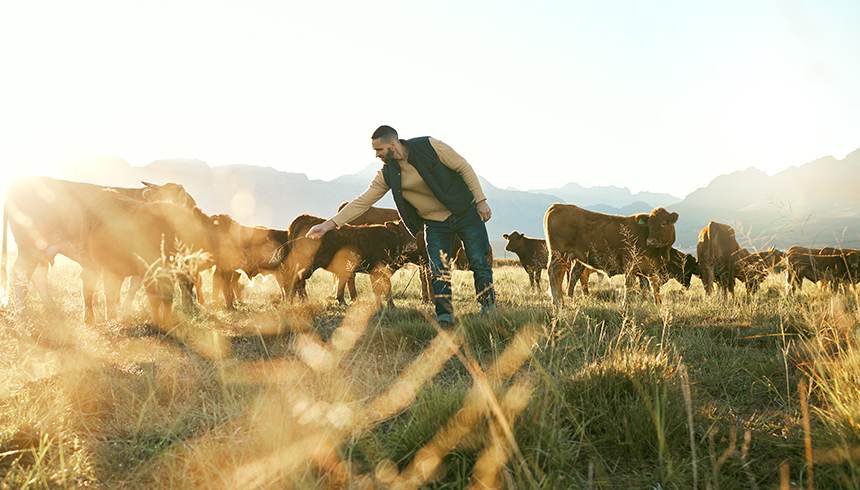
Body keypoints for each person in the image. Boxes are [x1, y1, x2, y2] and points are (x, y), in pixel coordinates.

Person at [305, 125, 495, 328]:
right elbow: (363, 201)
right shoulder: (387, 174)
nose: (376, 155)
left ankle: (488, 309)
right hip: (435, 223)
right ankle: (445, 318)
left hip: (464, 211)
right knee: (438, 269)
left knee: (478, 260)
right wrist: (328, 225)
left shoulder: (430, 146)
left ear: (393, 145)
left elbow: (462, 166)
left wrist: (481, 200)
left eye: (379, 150)